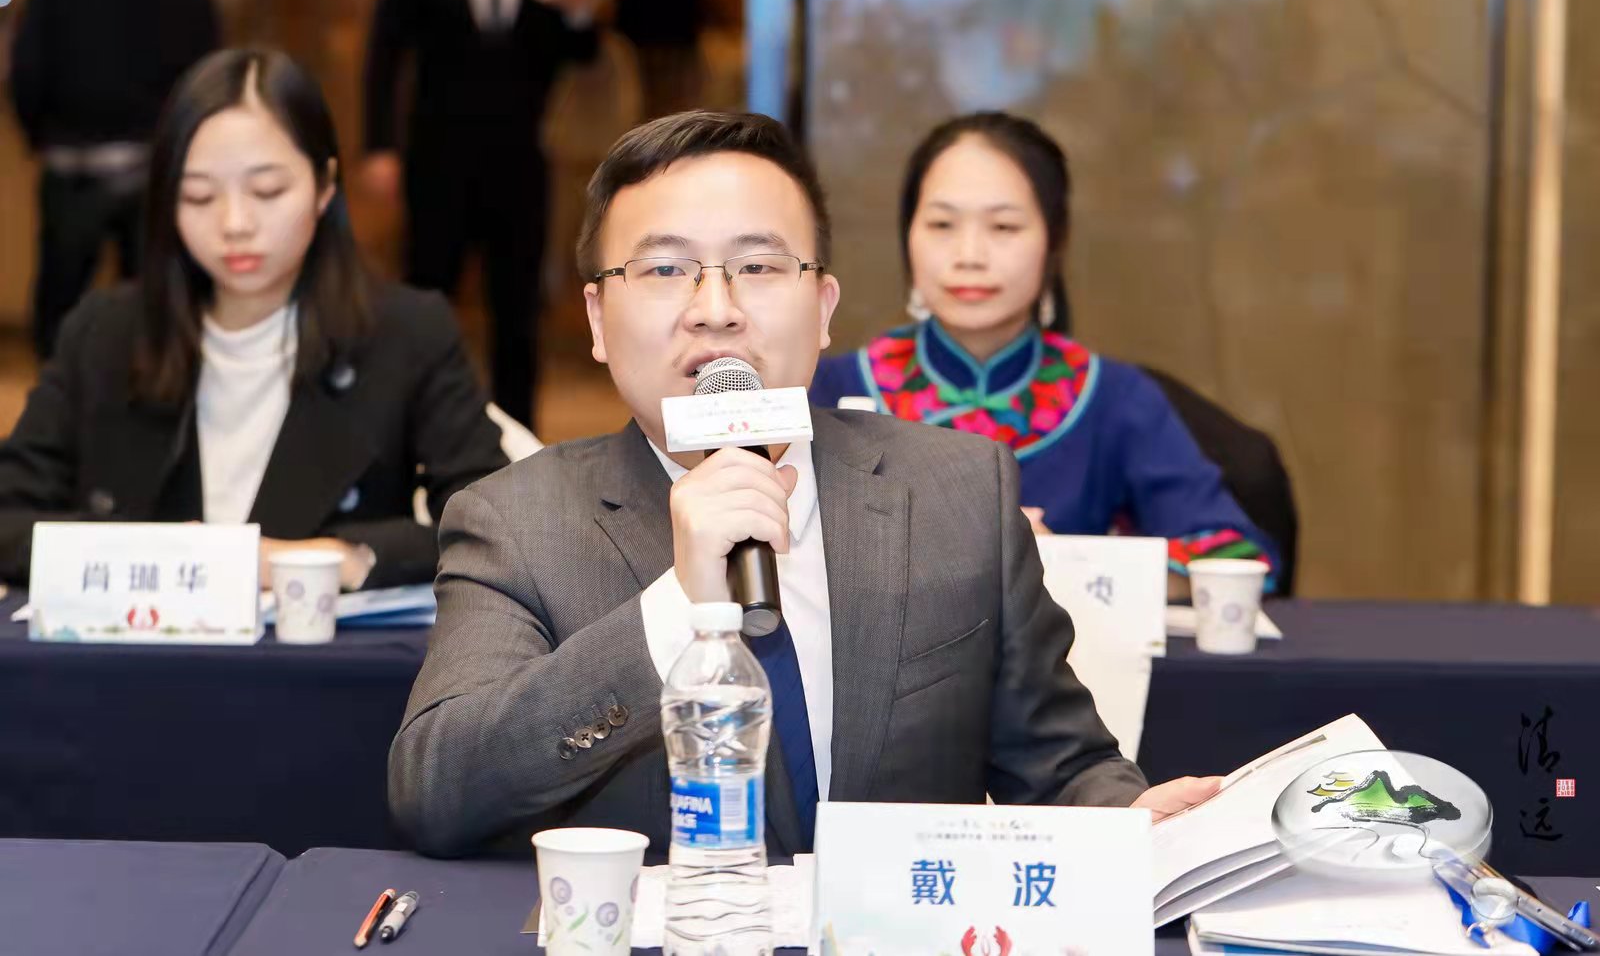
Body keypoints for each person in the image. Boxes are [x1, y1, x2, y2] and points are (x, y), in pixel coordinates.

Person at [388, 110, 1217, 858]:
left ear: (822, 309)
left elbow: (1062, 765)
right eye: (667, 269)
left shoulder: (960, 492)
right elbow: (437, 791)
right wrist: (674, 608)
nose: (715, 308)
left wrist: (1129, 813)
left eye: (757, 265)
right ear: (600, 320)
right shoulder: (514, 519)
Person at [0, 48, 508, 589]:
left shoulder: (406, 333)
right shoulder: (105, 332)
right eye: (199, 196)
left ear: (324, 185)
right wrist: (151, 555)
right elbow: (8, 516)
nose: (235, 224)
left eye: (267, 191)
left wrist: (343, 557)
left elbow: (500, 524)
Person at [810, 112, 1279, 590]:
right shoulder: (824, 387)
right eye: (942, 224)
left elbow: (1237, 560)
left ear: (1055, 242)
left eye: (1003, 227)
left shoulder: (1116, 399)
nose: (969, 255)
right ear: (908, 236)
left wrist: (1067, 563)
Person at [362, 0, 600, 427]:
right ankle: (415, 424)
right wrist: (379, 145)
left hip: (519, 159)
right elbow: (385, 50)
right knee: (428, 296)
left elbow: (581, 52)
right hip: (437, 155)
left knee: (518, 308)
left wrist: (579, 8)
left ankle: (520, 436)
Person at [8, 0, 219, 360]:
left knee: (60, 314)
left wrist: (38, 135)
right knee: (152, 316)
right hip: (155, 161)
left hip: (74, 161)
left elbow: (29, 68)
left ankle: (63, 400)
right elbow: (207, 76)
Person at [615, 0, 702, 120]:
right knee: (671, 98)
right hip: (674, 45)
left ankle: (653, 132)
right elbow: (692, 11)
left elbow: (625, 9)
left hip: (644, 44)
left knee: (647, 99)